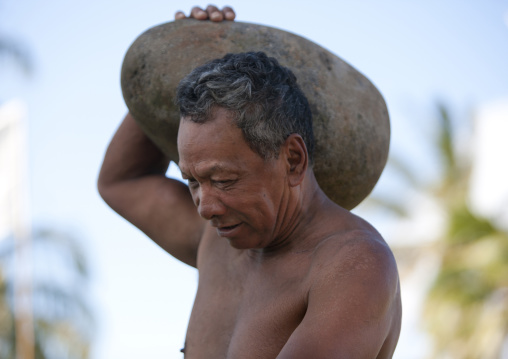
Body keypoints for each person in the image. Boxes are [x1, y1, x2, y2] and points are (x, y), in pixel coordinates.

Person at [98, 5, 401, 358]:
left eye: (223, 180)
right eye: (193, 182)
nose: (206, 207)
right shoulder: (217, 241)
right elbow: (122, 181)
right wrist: (187, 53)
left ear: (292, 160)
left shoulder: (352, 265)